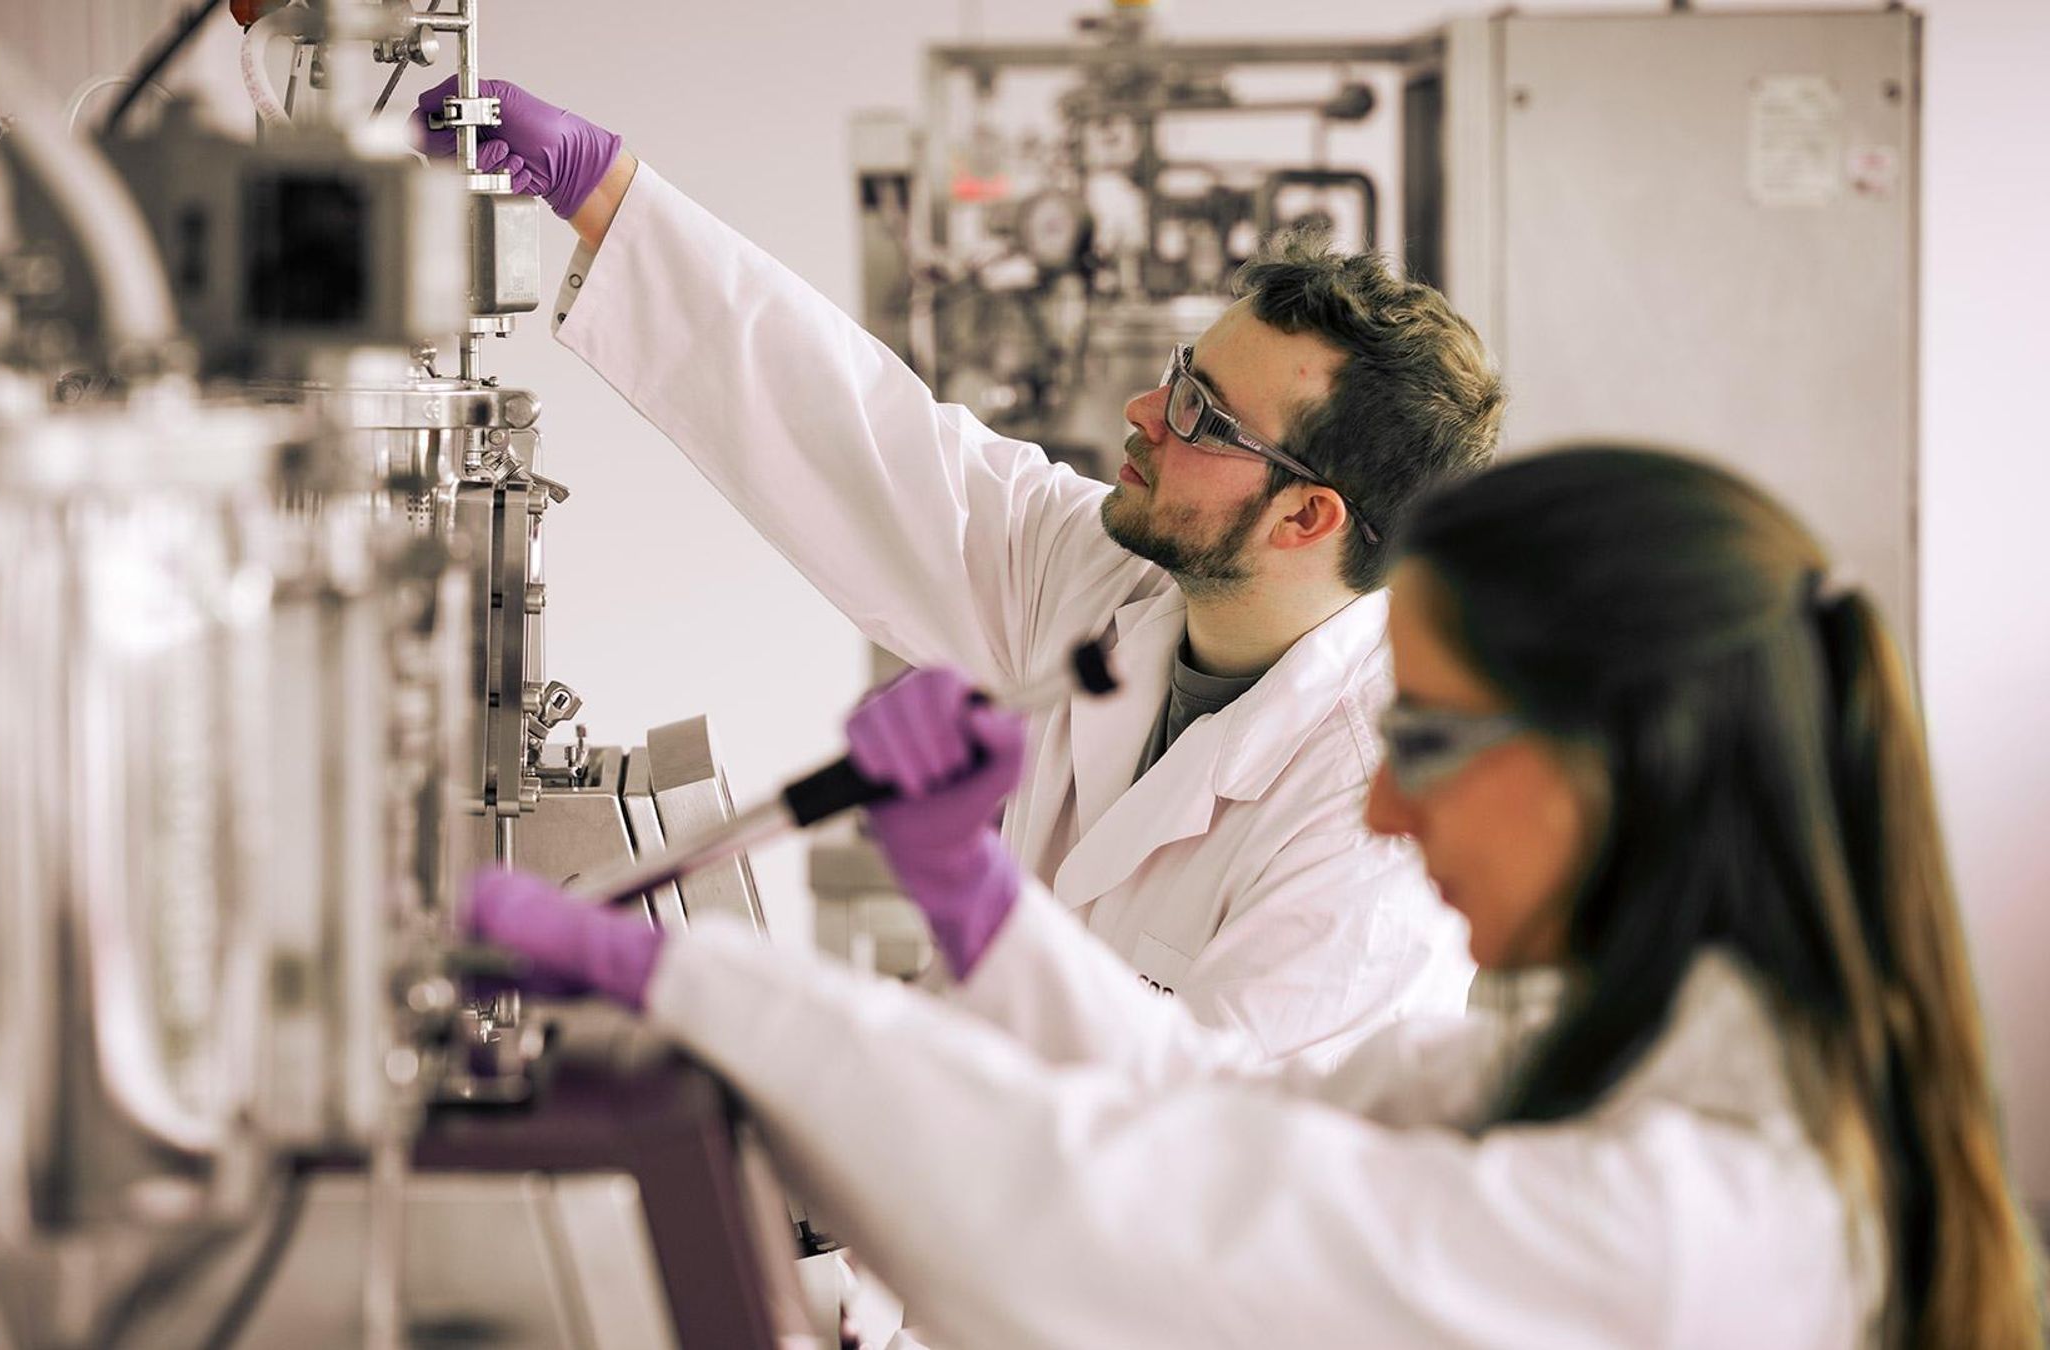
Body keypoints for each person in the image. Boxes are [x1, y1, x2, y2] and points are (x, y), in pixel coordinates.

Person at [465, 447, 2046, 1349]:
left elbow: (1124, 1244)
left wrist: (707, 987)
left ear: (1619, 757)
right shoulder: (1622, 1059)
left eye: (1423, 740)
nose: (1378, 801)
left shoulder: (1698, 1221)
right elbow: (1220, 1111)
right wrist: (970, 893)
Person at [412, 78, 1505, 1060]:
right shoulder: (1112, 585)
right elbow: (863, 438)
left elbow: (1191, 1165)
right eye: (1181, 374)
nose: (1142, 414)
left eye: (1199, 415)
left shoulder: (1381, 828)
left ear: (1308, 516)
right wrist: (607, 193)